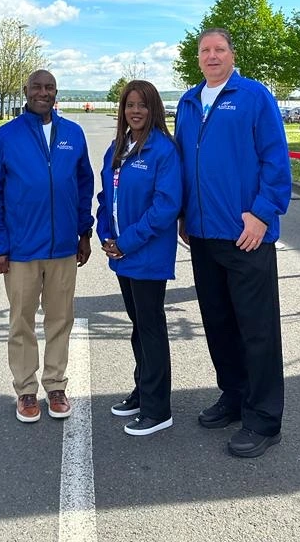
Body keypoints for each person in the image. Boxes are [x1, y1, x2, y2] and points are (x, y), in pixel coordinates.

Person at [175, 28, 292, 459]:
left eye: (219, 49)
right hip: (203, 236)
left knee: (257, 330)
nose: (211, 55)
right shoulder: (188, 103)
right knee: (218, 323)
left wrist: (262, 213)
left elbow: (275, 160)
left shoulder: (254, 96)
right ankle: (234, 395)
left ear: (232, 55)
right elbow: (184, 165)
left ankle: (264, 419)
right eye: (204, 50)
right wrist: (184, 213)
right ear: (198, 57)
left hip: (246, 234)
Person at [0, 69, 94, 423]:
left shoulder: (73, 135)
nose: (42, 93)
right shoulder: (5, 137)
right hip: (20, 249)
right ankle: (26, 390)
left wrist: (84, 232)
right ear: (26, 92)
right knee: (22, 322)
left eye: (48, 88)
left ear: (56, 93)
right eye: (36, 87)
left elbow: (83, 186)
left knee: (61, 319)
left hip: (63, 248)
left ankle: (56, 384)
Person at [96, 80, 182, 437]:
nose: (135, 111)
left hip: (146, 254)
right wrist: (105, 235)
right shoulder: (119, 147)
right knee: (138, 326)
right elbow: (107, 196)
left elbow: (166, 207)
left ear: (154, 109)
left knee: (150, 327)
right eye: (130, 104)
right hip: (123, 253)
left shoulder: (163, 150)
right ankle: (143, 390)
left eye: (143, 105)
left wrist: (127, 241)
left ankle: (158, 408)